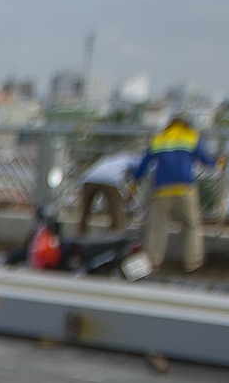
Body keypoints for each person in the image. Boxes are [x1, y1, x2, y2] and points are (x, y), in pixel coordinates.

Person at [133, 113, 217, 273]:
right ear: (187, 124)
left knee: (157, 226)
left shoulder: (158, 139)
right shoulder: (192, 137)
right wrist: (218, 161)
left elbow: (142, 166)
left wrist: (135, 180)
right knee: (191, 225)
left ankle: (153, 261)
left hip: (162, 191)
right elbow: (206, 161)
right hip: (185, 188)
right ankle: (192, 261)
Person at [76, 151, 135, 236]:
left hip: (89, 179)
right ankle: (118, 233)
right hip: (110, 180)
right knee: (117, 209)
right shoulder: (131, 161)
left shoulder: (109, 160)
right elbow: (134, 177)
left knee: (84, 209)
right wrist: (130, 194)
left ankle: (80, 233)